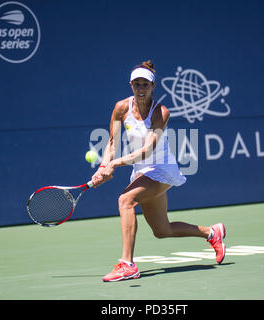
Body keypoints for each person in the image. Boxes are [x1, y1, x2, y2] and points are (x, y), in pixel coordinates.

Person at [91, 60, 226, 282]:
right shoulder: (121, 108)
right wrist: (104, 166)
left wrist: (115, 165)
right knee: (162, 230)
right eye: (137, 84)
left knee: (126, 200)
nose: (141, 89)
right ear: (131, 85)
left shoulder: (161, 113)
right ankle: (212, 233)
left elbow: (146, 150)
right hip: (141, 171)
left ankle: (127, 264)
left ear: (153, 86)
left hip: (162, 169)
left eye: (145, 84)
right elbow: (112, 143)